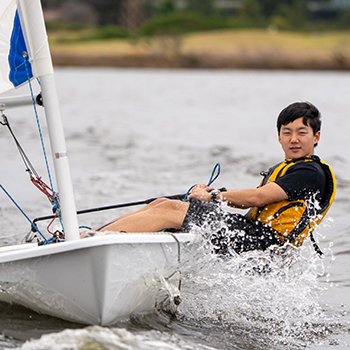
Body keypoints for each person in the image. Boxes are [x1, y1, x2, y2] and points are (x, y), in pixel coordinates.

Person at [86, 102, 336, 255]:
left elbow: (258, 198)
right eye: (287, 132)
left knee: (171, 209)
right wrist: (212, 193)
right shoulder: (287, 167)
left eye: (302, 133)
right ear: (279, 137)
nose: (294, 139)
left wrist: (213, 196)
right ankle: (95, 235)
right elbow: (248, 200)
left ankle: (92, 243)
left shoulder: (309, 172)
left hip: (264, 245)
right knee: (162, 204)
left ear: (316, 137)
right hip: (252, 236)